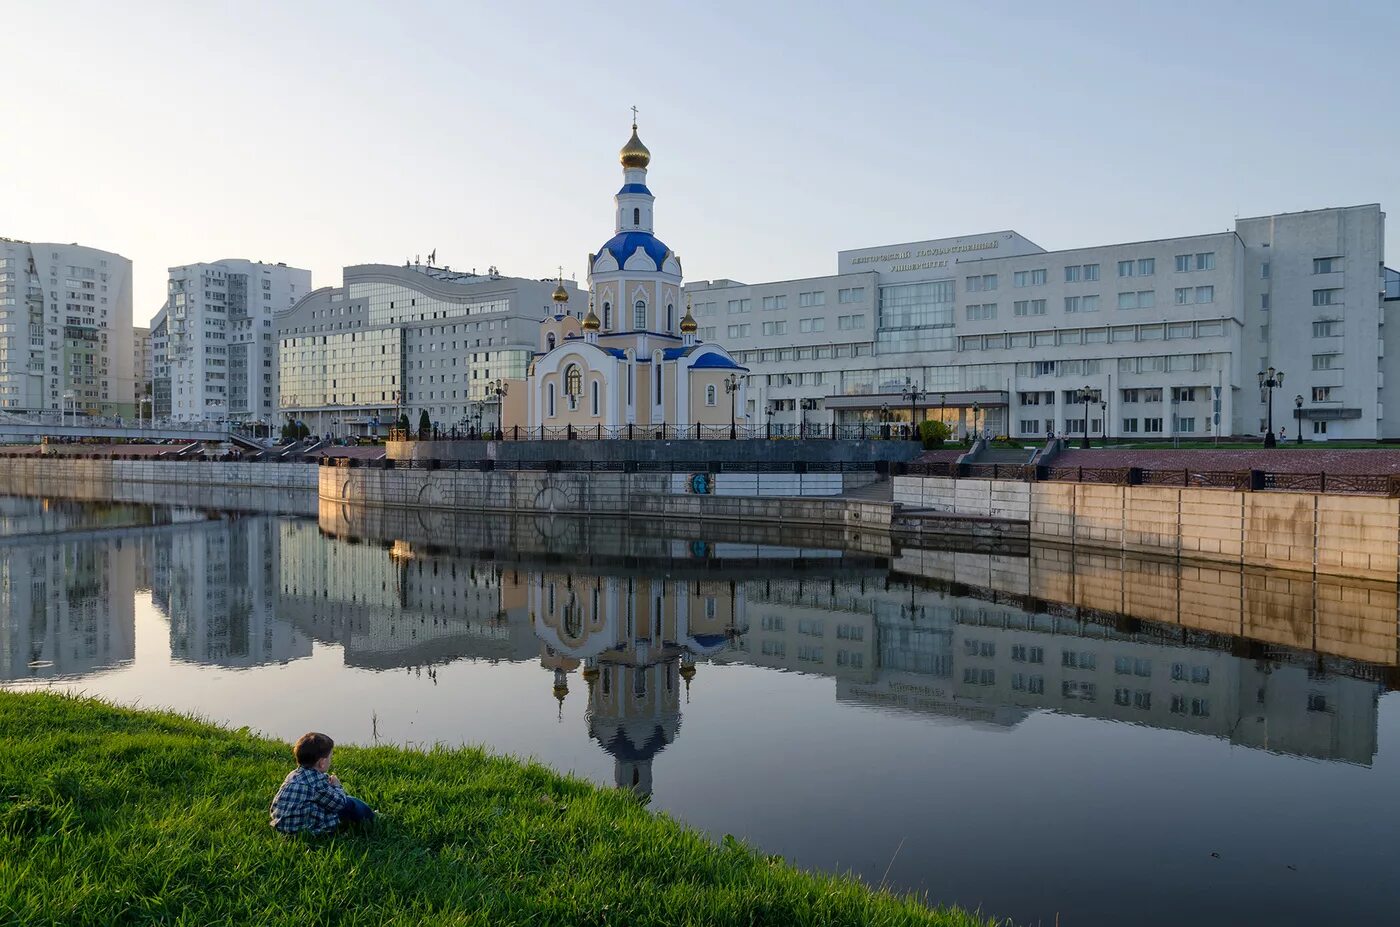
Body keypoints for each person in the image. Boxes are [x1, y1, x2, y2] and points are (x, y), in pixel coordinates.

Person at [269, 732, 375, 835]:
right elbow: (339, 804)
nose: (331, 760)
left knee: (324, 803)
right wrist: (337, 787)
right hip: (304, 830)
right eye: (330, 757)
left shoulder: (292, 775)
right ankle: (372, 816)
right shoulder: (318, 782)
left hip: (281, 825)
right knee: (350, 802)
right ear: (322, 763)